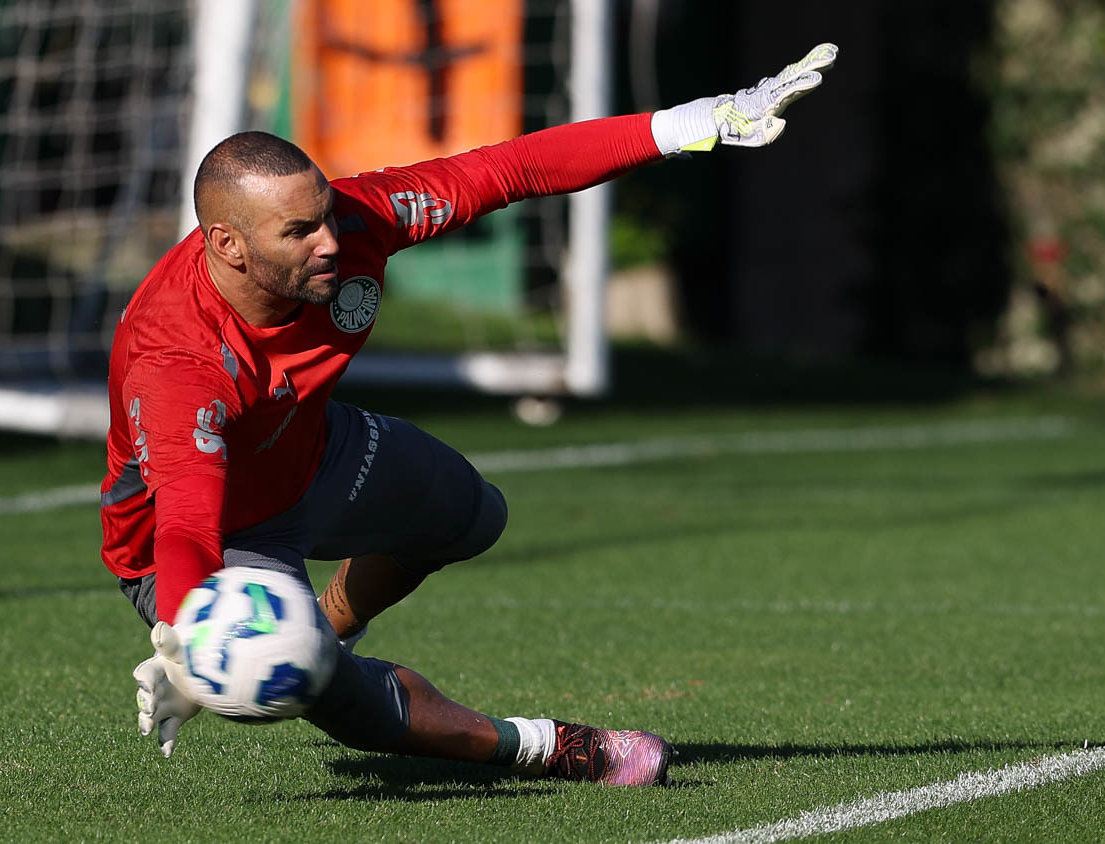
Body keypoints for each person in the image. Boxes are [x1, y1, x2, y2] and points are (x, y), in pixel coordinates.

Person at [102, 43, 838, 787]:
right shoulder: (178, 365)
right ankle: (556, 748)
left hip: (306, 454)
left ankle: (318, 627)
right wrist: (193, 642)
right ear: (225, 245)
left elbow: (511, 169)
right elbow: (188, 527)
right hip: (209, 537)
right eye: (299, 232)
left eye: (324, 214)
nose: (331, 241)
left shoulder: (358, 221)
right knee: (327, 689)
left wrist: (692, 123)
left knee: (469, 514)